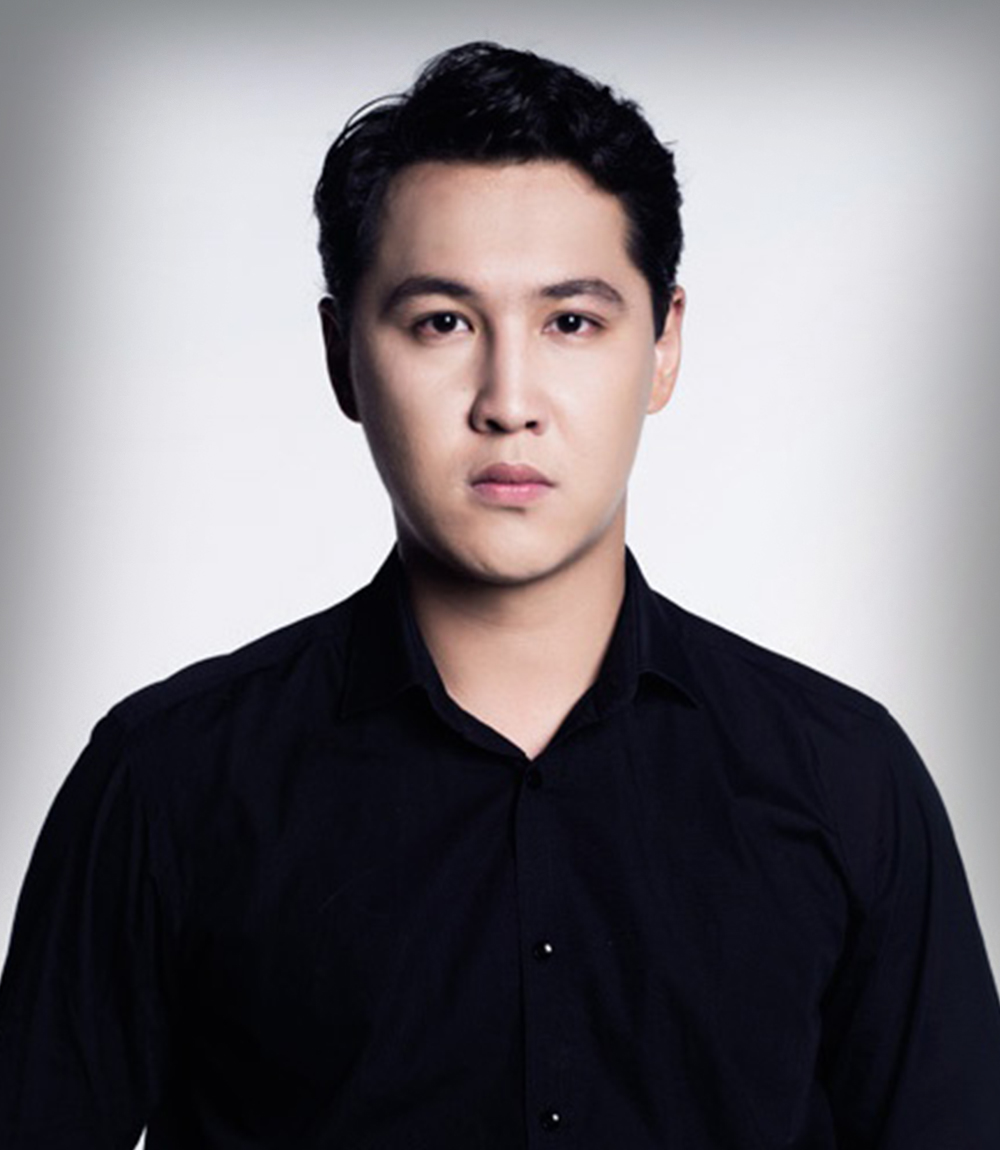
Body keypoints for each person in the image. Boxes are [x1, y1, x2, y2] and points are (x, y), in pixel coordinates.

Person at [1, 39, 998, 1150]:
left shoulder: (846, 779)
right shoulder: (166, 781)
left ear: (664, 346)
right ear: (342, 355)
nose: (507, 399)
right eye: (442, 322)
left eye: (571, 322)